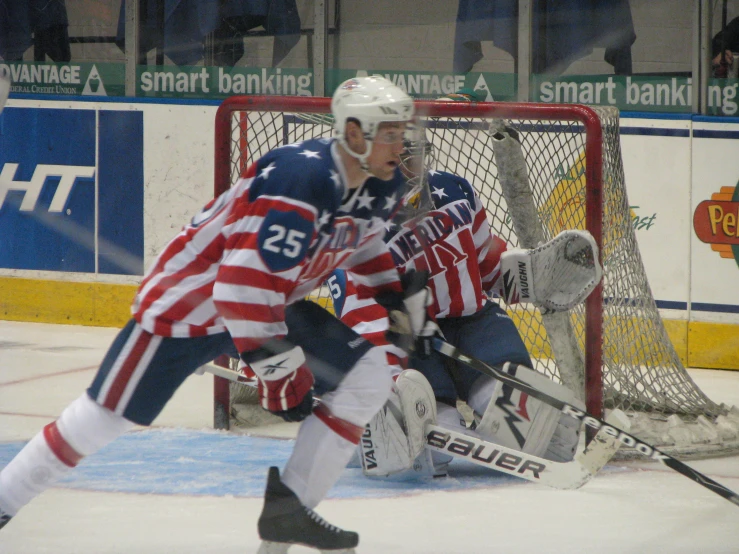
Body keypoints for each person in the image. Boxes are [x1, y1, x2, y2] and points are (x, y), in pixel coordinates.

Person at [0, 75, 436, 552]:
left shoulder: (383, 183)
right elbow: (238, 289)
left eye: (403, 131)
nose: (402, 143)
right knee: (100, 419)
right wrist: (281, 375)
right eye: (390, 133)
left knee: (370, 372)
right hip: (191, 306)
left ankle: (289, 514)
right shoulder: (299, 179)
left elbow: (360, 240)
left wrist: (392, 294)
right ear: (354, 134)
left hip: (268, 307)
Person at [330, 124, 593, 479]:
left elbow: (484, 261)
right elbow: (357, 311)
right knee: (432, 438)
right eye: (399, 159)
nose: (412, 169)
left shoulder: (454, 190)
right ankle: (380, 429)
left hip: (472, 321)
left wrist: (525, 277)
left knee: (521, 415)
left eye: (415, 156)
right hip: (406, 335)